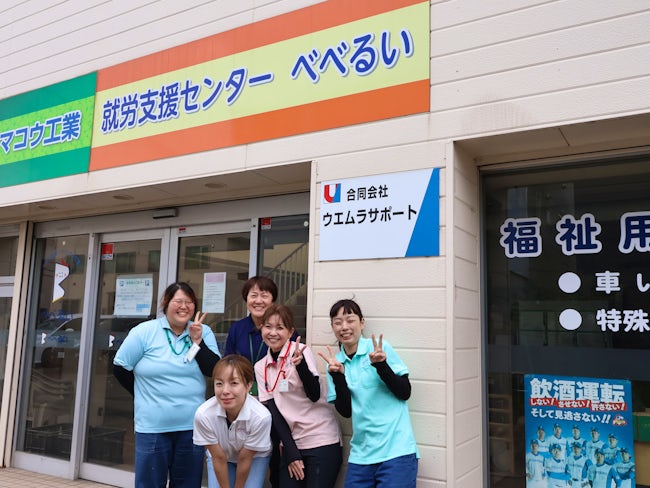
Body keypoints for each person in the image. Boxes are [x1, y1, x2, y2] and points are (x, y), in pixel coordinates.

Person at [113, 281, 221, 488]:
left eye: (189, 302)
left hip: (192, 427)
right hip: (152, 427)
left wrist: (198, 341)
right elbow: (120, 368)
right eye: (178, 301)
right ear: (166, 302)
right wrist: (143, 394)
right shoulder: (144, 332)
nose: (184, 307)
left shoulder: (203, 331)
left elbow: (214, 370)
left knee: (187, 484)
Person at [319, 299, 419, 487]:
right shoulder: (334, 363)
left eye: (350, 320)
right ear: (333, 327)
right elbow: (346, 411)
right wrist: (339, 376)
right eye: (338, 322)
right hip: (361, 455)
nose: (344, 327)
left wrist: (381, 365)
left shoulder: (379, 350)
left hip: (396, 450)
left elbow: (405, 392)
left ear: (362, 322)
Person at [254, 304, 342, 487]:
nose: (273, 333)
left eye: (280, 327)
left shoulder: (301, 351)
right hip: (292, 443)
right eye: (268, 326)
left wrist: (300, 366)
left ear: (290, 332)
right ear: (261, 328)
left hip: (321, 439)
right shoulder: (260, 366)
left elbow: (314, 394)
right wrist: (291, 452)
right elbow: (274, 411)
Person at [194, 355, 273, 488]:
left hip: (254, 457)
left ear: (248, 385)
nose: (225, 391)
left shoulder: (261, 417)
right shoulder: (204, 414)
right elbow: (218, 458)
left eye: (234, 383)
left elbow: (245, 458)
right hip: (221, 456)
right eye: (219, 384)